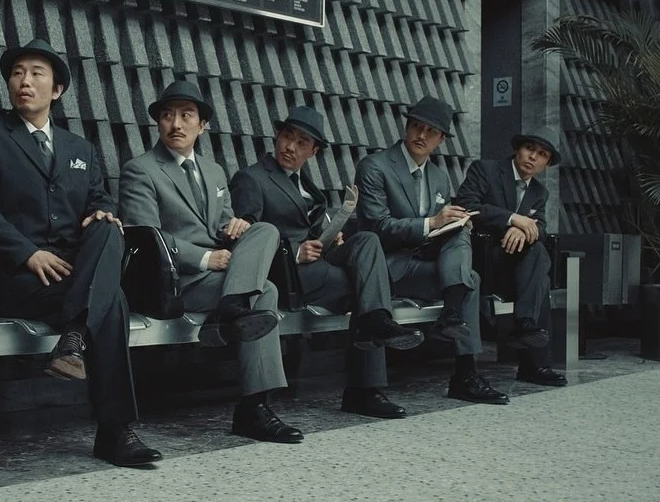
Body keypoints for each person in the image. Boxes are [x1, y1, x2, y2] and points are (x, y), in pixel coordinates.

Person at [0, 39, 161, 467]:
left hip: (72, 275)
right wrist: (28, 254)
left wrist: (101, 212)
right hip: (19, 278)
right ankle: (115, 430)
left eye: (36, 74)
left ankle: (75, 335)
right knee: (112, 300)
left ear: (57, 89)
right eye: (17, 73)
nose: (24, 81)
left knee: (108, 226)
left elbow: (98, 201)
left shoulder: (80, 149)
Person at [119, 81, 302, 443]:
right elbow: (147, 237)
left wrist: (235, 228)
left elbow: (220, 225)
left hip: (218, 278)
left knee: (265, 229)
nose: (176, 124)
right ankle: (253, 409)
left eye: (187, 116)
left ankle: (229, 309)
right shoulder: (141, 169)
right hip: (174, 280)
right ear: (158, 122)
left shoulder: (214, 171)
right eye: (168, 115)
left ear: (202, 126)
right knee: (265, 292)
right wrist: (205, 258)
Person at [230, 106, 424, 419]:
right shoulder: (251, 178)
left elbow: (309, 228)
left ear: (314, 151)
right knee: (369, 291)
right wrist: (296, 251)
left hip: (319, 266)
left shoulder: (306, 184)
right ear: (277, 137)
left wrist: (331, 238)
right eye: (287, 137)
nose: (290, 147)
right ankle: (364, 388)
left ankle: (375, 322)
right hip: (287, 274)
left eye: (302, 143)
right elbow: (249, 237)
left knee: (366, 241)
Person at [354, 96, 510, 405]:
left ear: (441, 140)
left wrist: (454, 224)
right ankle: (454, 323)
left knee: (463, 241)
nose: (422, 135)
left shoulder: (439, 177)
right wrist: (432, 223)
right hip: (386, 267)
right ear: (407, 127)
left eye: (431, 131)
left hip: (423, 262)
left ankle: (464, 371)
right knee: (468, 279)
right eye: (417, 126)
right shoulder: (375, 166)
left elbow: (438, 229)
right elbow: (376, 226)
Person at [454, 128, 566, 386]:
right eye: (529, 148)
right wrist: (513, 219)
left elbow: (541, 228)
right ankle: (532, 360)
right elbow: (466, 205)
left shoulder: (539, 192)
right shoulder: (486, 170)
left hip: (510, 267)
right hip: (479, 259)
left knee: (538, 261)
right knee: (539, 278)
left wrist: (524, 230)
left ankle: (526, 331)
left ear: (547, 163)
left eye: (542, 154)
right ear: (518, 149)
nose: (533, 157)